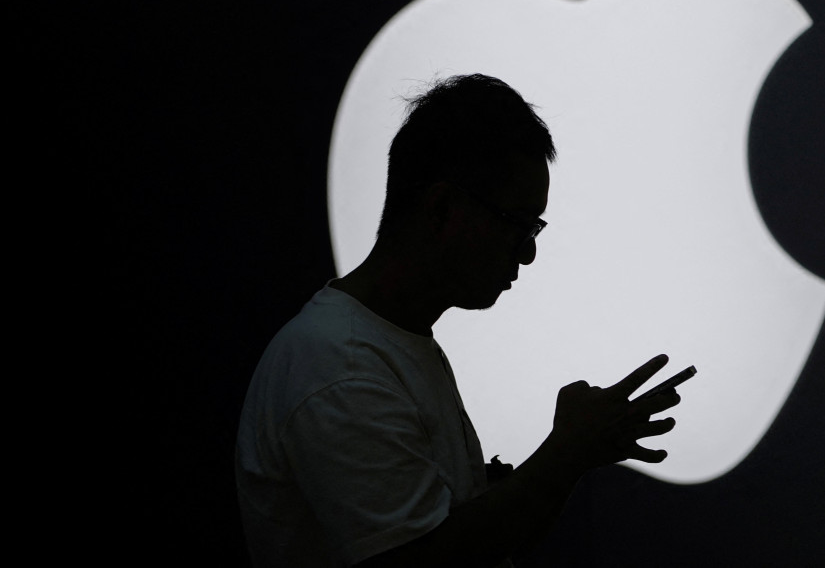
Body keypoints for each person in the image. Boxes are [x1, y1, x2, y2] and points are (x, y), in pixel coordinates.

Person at [235, 74, 681, 567]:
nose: (529, 253)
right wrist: (567, 454)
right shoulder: (338, 368)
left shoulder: (388, 345)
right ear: (444, 208)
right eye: (518, 223)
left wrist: (566, 460)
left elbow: (476, 542)